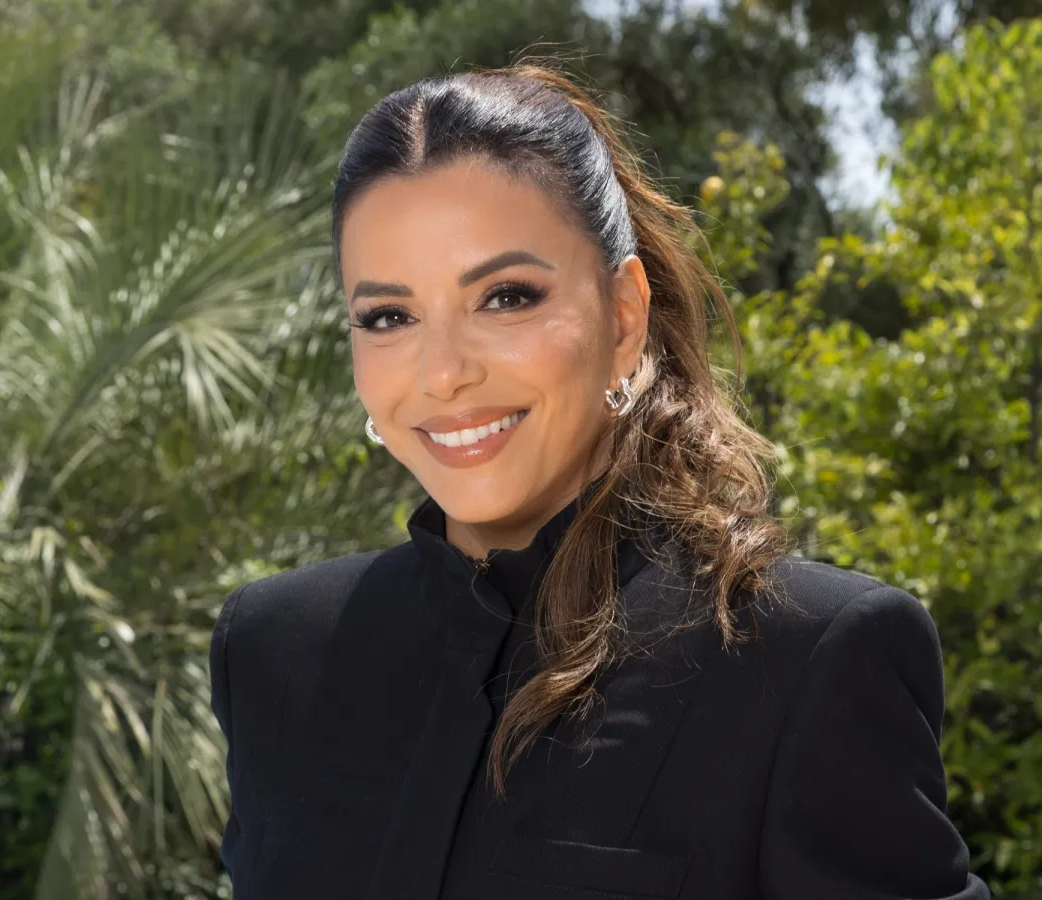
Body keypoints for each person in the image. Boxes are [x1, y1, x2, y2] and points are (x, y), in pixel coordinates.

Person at [209, 63, 990, 899]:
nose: (442, 374)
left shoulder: (804, 661)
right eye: (389, 316)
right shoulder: (273, 650)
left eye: (505, 297)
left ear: (623, 317)